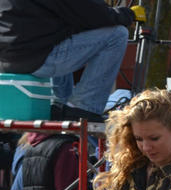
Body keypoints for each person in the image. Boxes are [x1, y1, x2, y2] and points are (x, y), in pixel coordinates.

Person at [0, 0, 137, 120]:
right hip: (37, 57)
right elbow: (91, 12)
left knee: (61, 34)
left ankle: (59, 103)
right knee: (117, 34)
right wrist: (128, 15)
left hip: (8, 60)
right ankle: (83, 108)